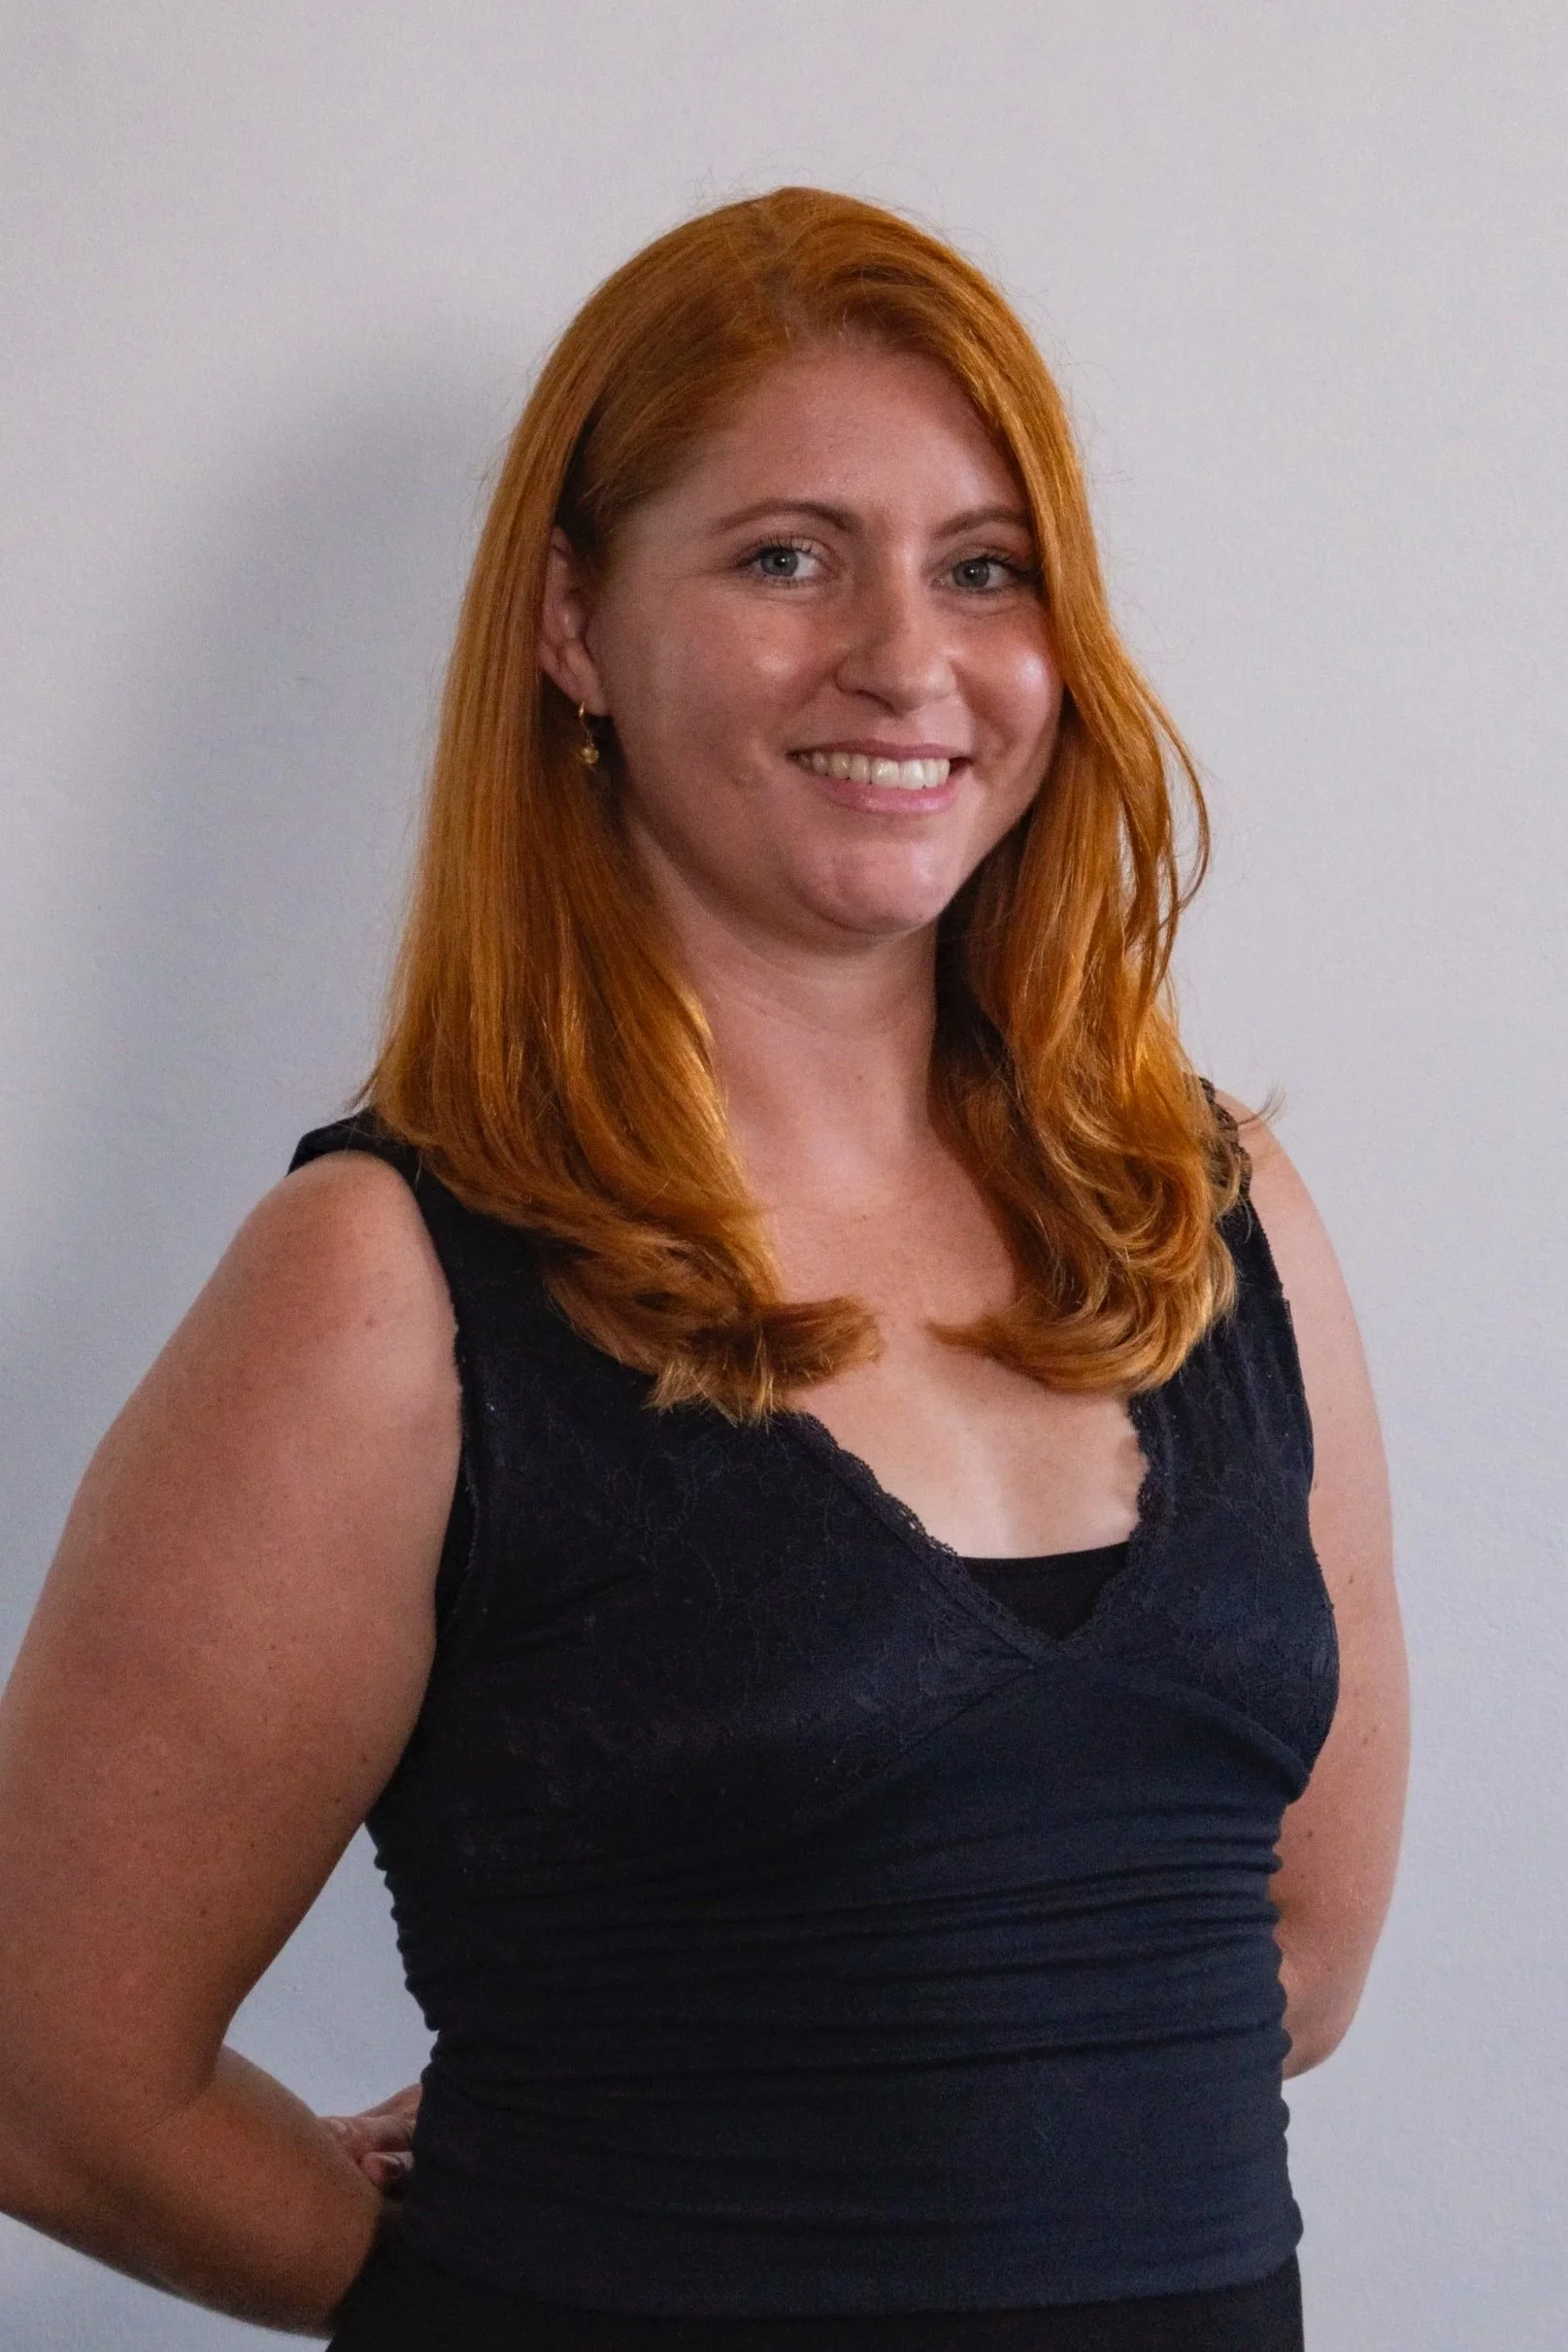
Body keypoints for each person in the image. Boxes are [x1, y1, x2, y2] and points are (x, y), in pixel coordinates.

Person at [0, 187, 1408, 2348]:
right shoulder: (383, 1287)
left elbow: (1277, 1971)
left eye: (984, 564)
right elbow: (48, 2068)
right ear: (575, 627)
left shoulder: (1216, 1223)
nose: (906, 658)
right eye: (785, 555)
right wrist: (512, 2268)